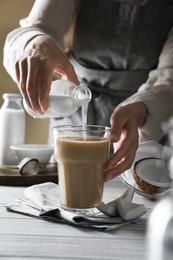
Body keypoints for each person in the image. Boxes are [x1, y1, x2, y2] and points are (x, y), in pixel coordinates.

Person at [3, 0, 173, 181]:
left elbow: (168, 78)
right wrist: (33, 41)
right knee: (67, 197)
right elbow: (33, 29)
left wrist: (142, 108)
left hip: (145, 132)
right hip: (72, 114)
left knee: (141, 199)